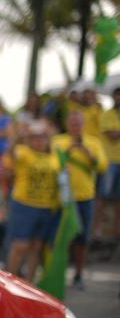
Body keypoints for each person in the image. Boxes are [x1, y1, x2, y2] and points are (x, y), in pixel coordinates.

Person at [52, 110, 107, 289]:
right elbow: (53, 164)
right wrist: (69, 151)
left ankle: (78, 274)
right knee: (61, 238)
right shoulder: (58, 141)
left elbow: (102, 166)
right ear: (67, 124)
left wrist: (86, 151)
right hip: (64, 198)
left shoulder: (93, 142)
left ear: (83, 124)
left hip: (85, 197)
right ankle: (58, 273)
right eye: (72, 123)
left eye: (78, 123)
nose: (75, 127)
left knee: (82, 239)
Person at [4, 122, 60, 282]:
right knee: (19, 245)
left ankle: (29, 284)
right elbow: (10, 155)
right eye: (35, 138)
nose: (39, 141)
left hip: (46, 207)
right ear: (29, 140)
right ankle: (10, 281)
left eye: (42, 137)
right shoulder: (23, 151)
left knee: (36, 247)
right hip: (24, 205)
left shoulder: (53, 156)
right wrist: (17, 137)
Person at [93, 86, 120, 241]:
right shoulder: (107, 114)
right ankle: (96, 230)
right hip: (109, 161)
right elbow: (112, 135)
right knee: (102, 196)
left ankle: (116, 231)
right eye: (117, 95)